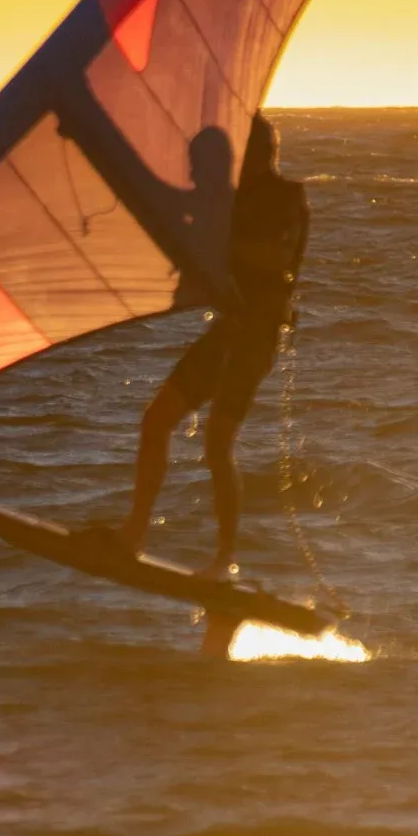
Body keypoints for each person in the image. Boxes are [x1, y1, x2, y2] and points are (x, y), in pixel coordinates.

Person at [78, 112, 309, 655]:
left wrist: (212, 246)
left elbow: (277, 259)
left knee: (217, 441)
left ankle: (223, 558)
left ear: (258, 153)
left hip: (255, 339)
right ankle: (133, 535)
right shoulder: (222, 202)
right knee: (156, 420)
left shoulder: (287, 197)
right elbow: (166, 200)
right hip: (226, 332)